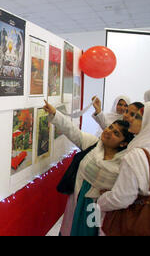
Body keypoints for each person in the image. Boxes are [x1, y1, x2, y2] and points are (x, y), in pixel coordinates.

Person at [43, 100, 134, 236]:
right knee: (70, 230)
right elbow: (72, 131)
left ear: (123, 143)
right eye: (110, 127)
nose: (109, 132)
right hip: (77, 201)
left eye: (116, 133)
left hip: (99, 212)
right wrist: (55, 114)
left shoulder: (124, 164)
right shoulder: (94, 144)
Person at [97, 102, 150, 224]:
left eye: (138, 117)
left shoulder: (137, 154)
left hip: (133, 222)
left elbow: (121, 198)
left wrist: (100, 201)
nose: (131, 119)